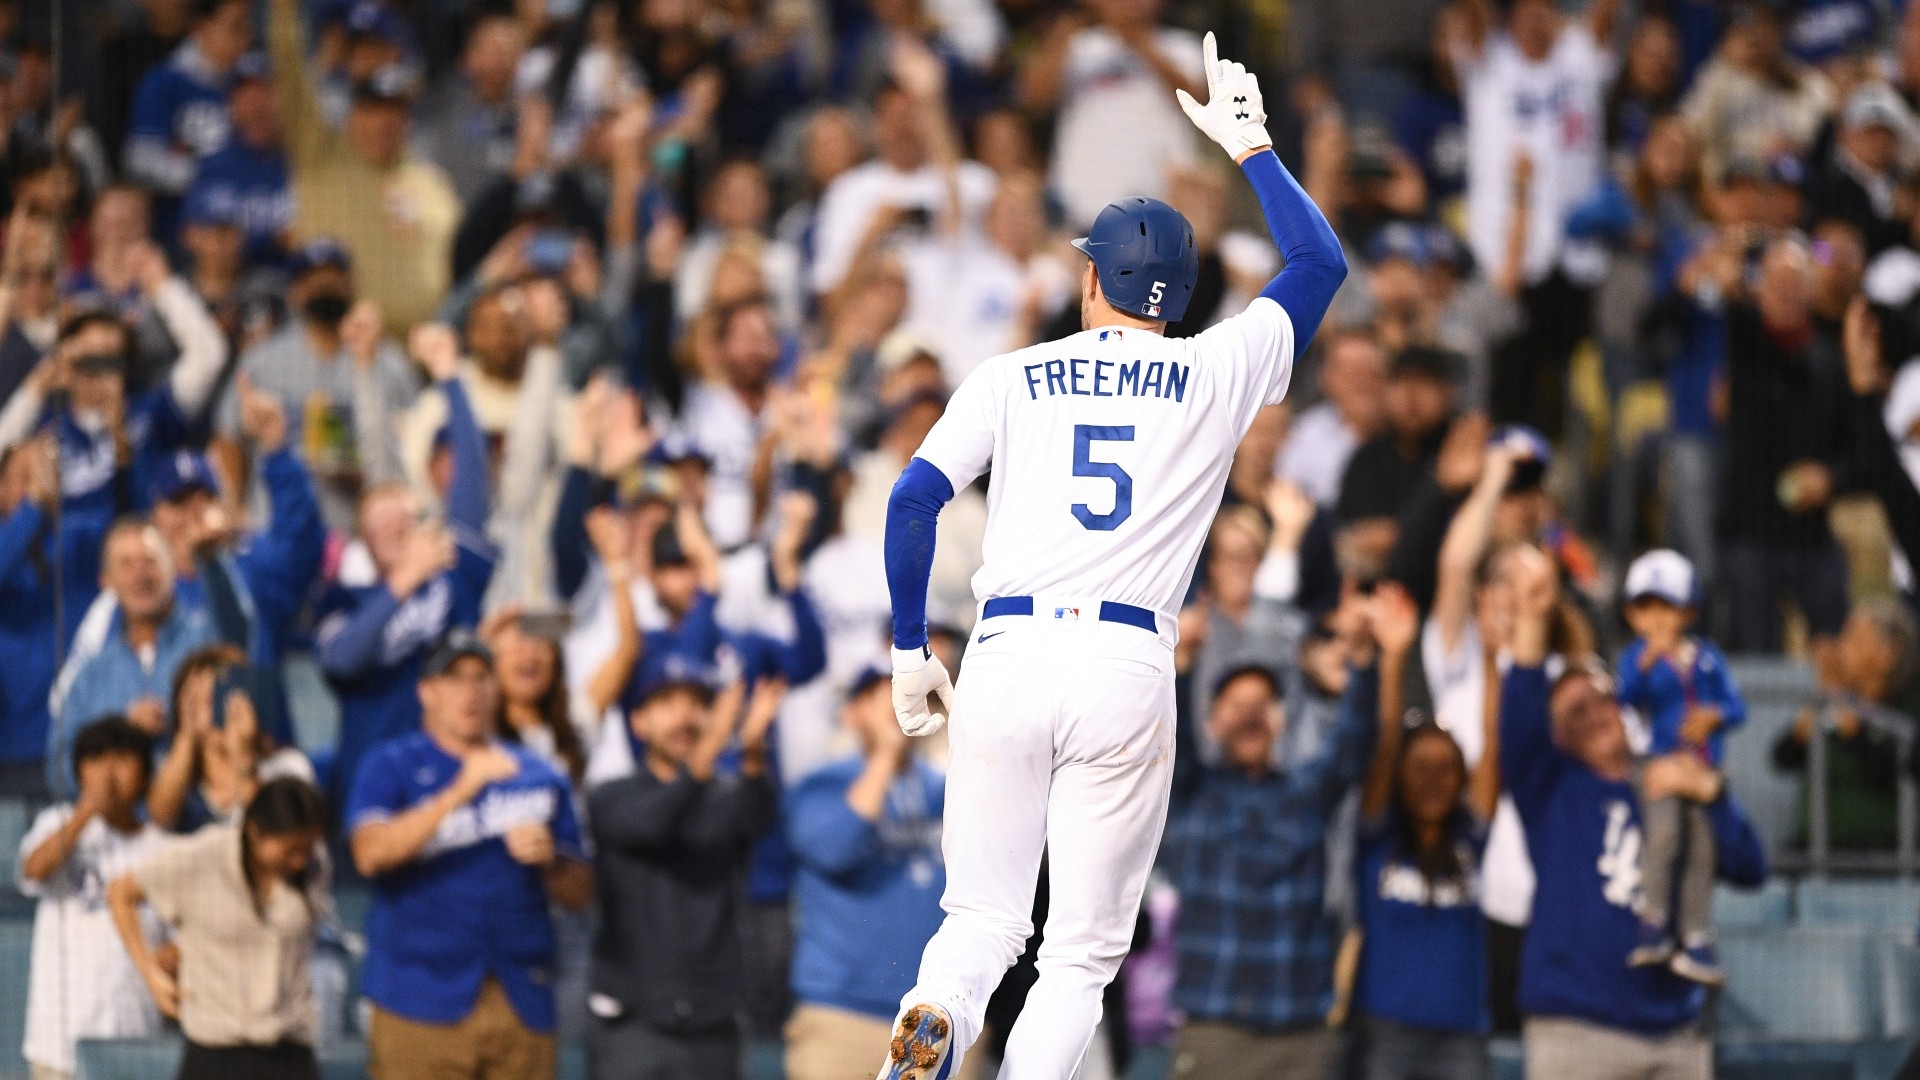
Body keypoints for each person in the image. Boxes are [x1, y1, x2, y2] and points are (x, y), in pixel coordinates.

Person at [877, 34, 1346, 1076]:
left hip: (1006, 647)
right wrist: (1255, 150)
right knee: (1080, 955)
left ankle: (935, 1021)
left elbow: (913, 501)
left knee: (980, 924)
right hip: (1127, 663)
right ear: (1174, 297)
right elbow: (1321, 264)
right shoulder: (1218, 367)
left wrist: (913, 651)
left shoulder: (1013, 374)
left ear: (1090, 275)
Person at [1500, 549, 1766, 1080]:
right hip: (1577, 1034)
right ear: (1556, 736)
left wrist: (1713, 794)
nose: (1597, 714)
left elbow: (1750, 866)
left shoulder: (1668, 775)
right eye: (1577, 711)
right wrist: (1532, 619)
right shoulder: (1551, 788)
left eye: (1603, 699)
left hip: (1678, 1038)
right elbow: (1521, 718)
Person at [346, 631, 592, 1080]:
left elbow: (581, 893)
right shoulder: (391, 764)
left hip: (521, 997)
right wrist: (459, 790)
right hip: (418, 998)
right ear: (427, 691)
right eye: (455, 678)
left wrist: (550, 861)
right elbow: (370, 855)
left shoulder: (537, 774)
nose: (471, 691)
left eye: (482, 677)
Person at [1165, 655, 1377, 1080]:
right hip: (1214, 1031)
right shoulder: (1189, 793)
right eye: (1236, 706)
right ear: (1212, 721)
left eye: (1262, 705)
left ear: (1280, 720)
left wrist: (1364, 663)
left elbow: (1354, 744)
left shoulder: (1306, 795)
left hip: (1301, 1037)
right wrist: (1182, 669)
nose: (1251, 717)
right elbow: (1168, 737)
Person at [314, 325, 495, 811]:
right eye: (381, 524)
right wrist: (402, 583)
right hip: (371, 792)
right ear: (365, 543)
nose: (396, 529)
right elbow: (342, 660)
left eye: (406, 519)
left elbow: (471, 486)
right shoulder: (343, 601)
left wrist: (448, 377)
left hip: (456, 780)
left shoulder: (453, 581)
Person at [586, 676, 784, 1080]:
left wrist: (752, 753)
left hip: (712, 1023)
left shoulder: (725, 797)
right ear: (637, 722)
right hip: (630, 1021)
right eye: (667, 703)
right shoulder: (612, 794)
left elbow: (758, 815)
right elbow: (649, 825)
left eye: (697, 704)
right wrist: (707, 754)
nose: (685, 717)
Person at [1352, 583, 1500, 1080]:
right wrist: (1392, 662)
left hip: (1463, 1038)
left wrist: (1493, 660)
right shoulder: (1376, 837)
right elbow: (1387, 741)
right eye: (1420, 769)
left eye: (1445, 770)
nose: (1433, 782)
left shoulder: (1472, 839)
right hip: (1385, 1036)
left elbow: (1493, 744)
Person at [783, 668, 957, 1080]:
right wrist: (885, 754)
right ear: (851, 712)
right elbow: (833, 850)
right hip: (843, 1017)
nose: (898, 705)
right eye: (882, 694)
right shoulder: (823, 784)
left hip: (936, 1019)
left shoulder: (949, 788)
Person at [108, 777, 332, 1080]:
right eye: (290, 849)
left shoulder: (314, 866)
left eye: (307, 848)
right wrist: (148, 970)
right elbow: (121, 894)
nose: (300, 860)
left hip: (290, 1047)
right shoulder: (203, 855)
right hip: (216, 1050)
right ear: (255, 832)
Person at [266, 0, 461, 336]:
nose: (383, 122)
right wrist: (285, 14)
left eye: (393, 110)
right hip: (338, 343)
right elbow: (289, 75)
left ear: (407, 118)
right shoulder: (321, 155)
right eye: (372, 110)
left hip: (418, 353)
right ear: (353, 114)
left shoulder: (430, 180)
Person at [212, 239, 417, 532]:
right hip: (275, 523)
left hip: (358, 531)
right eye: (313, 280)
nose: (324, 285)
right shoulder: (263, 360)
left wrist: (365, 475)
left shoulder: (388, 362)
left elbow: (415, 445)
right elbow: (227, 436)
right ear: (294, 293)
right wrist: (233, 507)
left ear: (352, 285)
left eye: (333, 278)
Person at [1616, 549, 1747, 985]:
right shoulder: (1636, 659)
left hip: (1701, 771)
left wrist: (1715, 715)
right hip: (1659, 764)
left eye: (1667, 606)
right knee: (1665, 835)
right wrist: (1645, 662)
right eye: (1645, 607)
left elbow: (1735, 706)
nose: (1657, 619)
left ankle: (1694, 936)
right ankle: (1652, 922)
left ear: (1688, 611)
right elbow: (1626, 699)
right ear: (1631, 614)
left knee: (1702, 851)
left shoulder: (1707, 657)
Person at [16, 718, 168, 1080]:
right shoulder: (57, 821)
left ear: (146, 774)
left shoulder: (164, 846)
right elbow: (33, 870)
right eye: (96, 759)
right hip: (58, 1042)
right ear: (79, 770)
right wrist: (86, 811)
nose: (109, 771)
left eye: (123, 759)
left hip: (135, 1037)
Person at [51, 519, 228, 799]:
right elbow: (58, 773)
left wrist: (213, 561)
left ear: (173, 567)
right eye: (126, 565)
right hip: (121, 834)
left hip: (205, 822)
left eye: (150, 561)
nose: (141, 575)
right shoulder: (91, 674)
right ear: (106, 580)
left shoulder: (210, 638)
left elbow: (242, 637)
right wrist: (120, 734)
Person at [149, 644, 317, 831]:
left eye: (220, 695)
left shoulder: (287, 767)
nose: (210, 712)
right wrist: (187, 736)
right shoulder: (176, 779)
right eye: (197, 701)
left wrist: (243, 757)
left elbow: (275, 835)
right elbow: (161, 817)